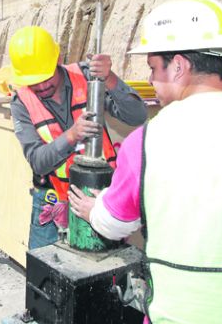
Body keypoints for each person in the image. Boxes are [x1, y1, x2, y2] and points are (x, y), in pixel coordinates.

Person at [68, 0, 222, 324]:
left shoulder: (148, 141)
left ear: (178, 66)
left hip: (185, 318)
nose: (149, 80)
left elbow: (116, 223)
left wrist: (93, 210)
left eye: (152, 67)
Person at [8, 25, 147, 250]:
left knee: (102, 270)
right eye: (35, 81)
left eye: (46, 76)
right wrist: (72, 135)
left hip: (97, 194)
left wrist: (110, 79)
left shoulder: (87, 76)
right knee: (47, 276)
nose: (42, 86)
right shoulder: (21, 102)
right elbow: (38, 162)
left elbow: (137, 115)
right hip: (52, 202)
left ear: (58, 59)